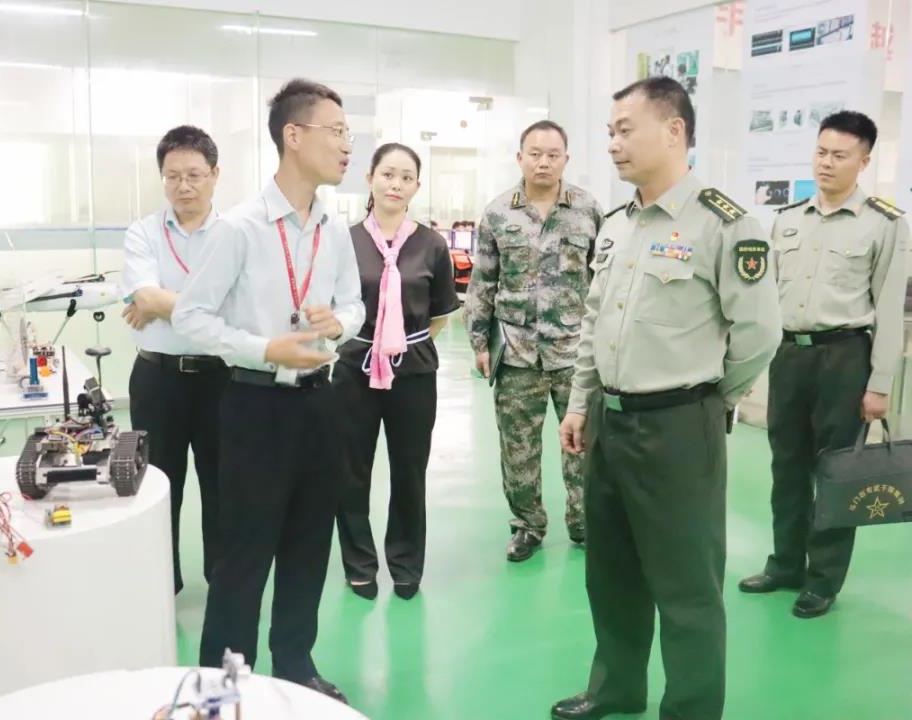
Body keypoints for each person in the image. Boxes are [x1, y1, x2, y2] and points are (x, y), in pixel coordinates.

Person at [552, 77, 781, 720]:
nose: (613, 143)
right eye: (610, 131)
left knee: (687, 588)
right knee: (611, 574)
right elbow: (595, 321)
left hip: (680, 428)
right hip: (610, 423)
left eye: (625, 129)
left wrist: (707, 398)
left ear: (674, 130)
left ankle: (691, 709)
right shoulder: (618, 225)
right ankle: (616, 689)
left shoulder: (724, 225)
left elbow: (760, 334)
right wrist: (580, 402)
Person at [170, 78, 362, 703]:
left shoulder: (334, 228)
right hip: (254, 406)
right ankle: (222, 687)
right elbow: (191, 317)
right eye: (337, 131)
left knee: (309, 545)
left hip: (320, 403)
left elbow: (354, 304)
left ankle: (296, 667)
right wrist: (264, 348)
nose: (347, 144)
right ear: (293, 135)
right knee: (244, 556)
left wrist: (338, 323)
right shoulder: (240, 228)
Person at [738, 111, 909, 619]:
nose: (826, 163)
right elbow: (767, 296)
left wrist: (880, 384)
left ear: (864, 161)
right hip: (791, 355)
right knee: (786, 465)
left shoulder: (884, 224)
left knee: (835, 471)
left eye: (839, 155)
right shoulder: (788, 218)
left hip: (844, 356)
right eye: (820, 152)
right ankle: (785, 564)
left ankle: (823, 579)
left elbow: (888, 310)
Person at [464, 120, 604, 561]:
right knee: (518, 450)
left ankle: (585, 524)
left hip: (575, 355)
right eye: (535, 153)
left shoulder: (588, 210)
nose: (543, 162)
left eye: (553, 154)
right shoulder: (497, 213)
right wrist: (479, 342)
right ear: (520, 157)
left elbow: (602, 283)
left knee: (583, 446)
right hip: (516, 352)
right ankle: (527, 526)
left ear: (566, 159)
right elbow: (483, 282)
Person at [334, 143, 459, 601]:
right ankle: (359, 562)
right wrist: (373, 343)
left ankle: (406, 563)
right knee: (350, 471)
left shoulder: (432, 245)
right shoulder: (344, 241)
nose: (396, 184)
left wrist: (400, 344)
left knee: (409, 471)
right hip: (355, 369)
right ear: (369, 178)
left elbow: (440, 313)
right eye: (388, 174)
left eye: (406, 177)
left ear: (416, 187)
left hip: (414, 372)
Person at [120, 125, 228, 593]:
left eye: (194, 175)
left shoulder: (235, 235)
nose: (183, 186)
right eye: (172, 176)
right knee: (158, 485)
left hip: (222, 380)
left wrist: (163, 305)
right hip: (157, 379)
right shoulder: (143, 232)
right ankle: (164, 583)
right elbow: (143, 296)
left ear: (214, 175)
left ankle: (223, 581)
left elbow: (240, 307)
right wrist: (206, 308)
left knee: (223, 486)